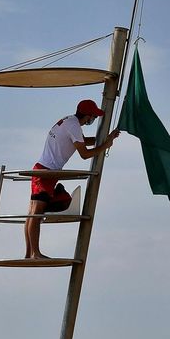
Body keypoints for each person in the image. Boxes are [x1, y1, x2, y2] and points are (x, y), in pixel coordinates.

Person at [25, 99, 120, 259]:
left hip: (44, 170)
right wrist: (105, 146)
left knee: (33, 213)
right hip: (46, 172)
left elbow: (83, 141)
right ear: (88, 116)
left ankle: (29, 253)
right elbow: (84, 154)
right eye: (94, 117)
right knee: (36, 213)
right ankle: (35, 253)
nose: (94, 119)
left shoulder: (70, 121)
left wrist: (106, 137)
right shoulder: (74, 126)